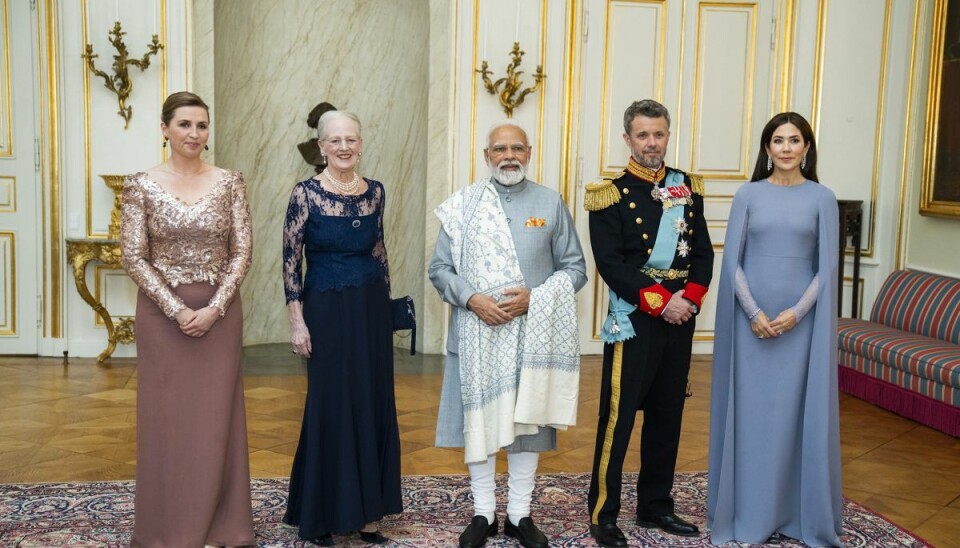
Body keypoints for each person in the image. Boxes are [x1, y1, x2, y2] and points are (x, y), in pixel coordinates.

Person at [429, 120, 587, 548]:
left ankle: (519, 515)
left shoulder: (549, 203)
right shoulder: (462, 206)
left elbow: (574, 269)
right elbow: (439, 269)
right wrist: (471, 299)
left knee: (526, 423)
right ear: (486, 156)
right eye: (499, 149)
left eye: (517, 148)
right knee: (477, 423)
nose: (509, 156)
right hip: (475, 334)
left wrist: (535, 298)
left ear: (530, 153)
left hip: (531, 338)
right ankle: (482, 512)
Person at [121, 91, 255, 547]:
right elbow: (134, 257)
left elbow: (242, 251)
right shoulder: (140, 184)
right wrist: (176, 309)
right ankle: (165, 530)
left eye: (201, 126)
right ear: (164, 129)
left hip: (220, 314)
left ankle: (225, 527)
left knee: (218, 419)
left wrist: (216, 307)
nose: (194, 134)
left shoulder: (230, 181)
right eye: (184, 125)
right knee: (167, 422)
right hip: (162, 319)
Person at [707, 112, 843, 546]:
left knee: (793, 417)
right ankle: (748, 512)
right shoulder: (748, 194)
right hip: (754, 326)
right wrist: (753, 312)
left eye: (795, 140)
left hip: (799, 329)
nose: (786, 148)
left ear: (806, 148)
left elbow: (827, 268)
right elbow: (733, 261)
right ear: (767, 148)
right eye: (778, 140)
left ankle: (794, 513)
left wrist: (797, 313)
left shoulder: (823, 198)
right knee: (752, 418)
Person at [585, 99, 714, 547]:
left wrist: (689, 300)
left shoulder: (687, 188)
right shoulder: (609, 194)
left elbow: (702, 255)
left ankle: (656, 506)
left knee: (667, 415)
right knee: (618, 418)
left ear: (667, 135)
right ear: (628, 139)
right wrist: (663, 303)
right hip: (636, 319)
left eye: (659, 134)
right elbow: (612, 264)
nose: (652, 143)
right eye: (643, 135)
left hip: (680, 320)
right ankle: (603, 513)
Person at [281, 111, 401, 546]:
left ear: (361, 143)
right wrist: (297, 320)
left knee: (372, 401)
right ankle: (324, 515)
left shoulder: (376, 193)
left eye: (351, 138)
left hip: (369, 309)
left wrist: (387, 312)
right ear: (322, 147)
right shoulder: (305, 195)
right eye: (335, 141)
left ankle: (369, 514)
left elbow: (380, 250)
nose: (344, 147)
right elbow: (290, 260)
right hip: (325, 310)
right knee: (330, 403)